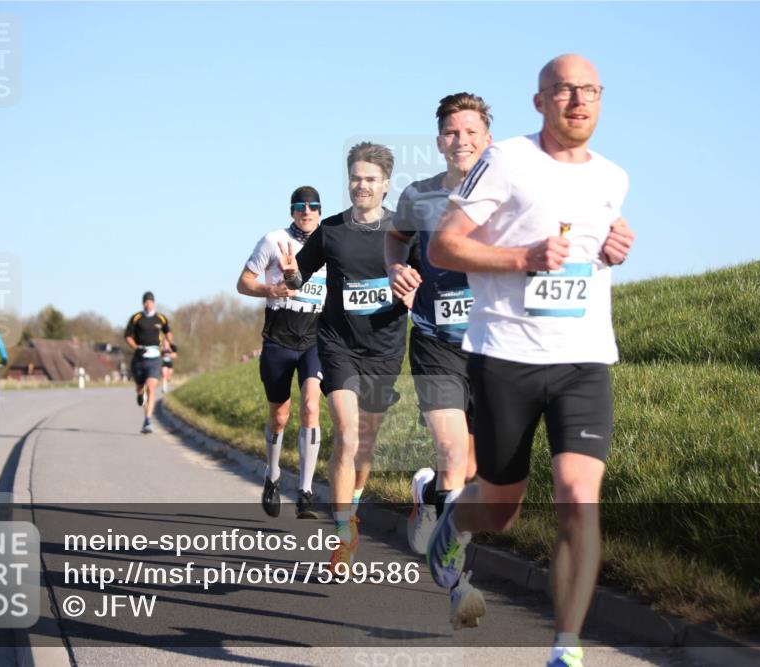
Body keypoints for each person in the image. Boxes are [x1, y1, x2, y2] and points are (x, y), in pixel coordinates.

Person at [426, 55, 636, 667]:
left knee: (578, 494)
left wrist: (619, 244)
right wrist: (523, 258)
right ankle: (452, 526)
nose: (578, 100)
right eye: (563, 90)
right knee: (502, 507)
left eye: (589, 90)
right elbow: (444, 245)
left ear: (602, 99)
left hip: (584, 358)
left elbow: (597, 240)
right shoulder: (507, 159)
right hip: (505, 356)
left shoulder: (613, 177)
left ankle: (566, 650)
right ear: (539, 101)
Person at [386, 92, 491, 628]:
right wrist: (394, 270)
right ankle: (456, 582)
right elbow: (396, 239)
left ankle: (427, 492)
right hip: (434, 343)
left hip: (491, 348)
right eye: (452, 132)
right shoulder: (419, 196)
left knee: (472, 473)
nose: (461, 140)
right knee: (453, 455)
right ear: (438, 141)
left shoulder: (507, 195)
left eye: (471, 131)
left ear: (487, 138)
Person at [281, 143, 408, 573]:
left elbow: (427, 278)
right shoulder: (331, 231)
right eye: (355, 177)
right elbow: (299, 272)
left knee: (366, 444)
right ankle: (340, 536)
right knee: (347, 436)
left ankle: (351, 507)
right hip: (338, 345)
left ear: (386, 184)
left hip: (386, 348)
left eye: (370, 179)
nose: (361, 185)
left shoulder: (403, 233)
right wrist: (290, 274)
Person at [236, 186, 327, 519]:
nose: (307, 212)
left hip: (314, 337)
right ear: (292, 211)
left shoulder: (329, 241)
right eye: (301, 207)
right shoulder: (273, 240)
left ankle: (305, 491)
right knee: (280, 415)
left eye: (313, 206)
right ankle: (272, 476)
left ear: (319, 210)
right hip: (279, 336)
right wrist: (269, 288)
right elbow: (242, 282)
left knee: (311, 407)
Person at [124, 291, 174, 434]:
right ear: (143, 303)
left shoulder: (161, 318)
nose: (148, 304)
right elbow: (127, 336)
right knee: (140, 387)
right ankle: (139, 395)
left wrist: (171, 343)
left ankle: (147, 420)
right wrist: (136, 347)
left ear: (154, 303)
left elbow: (168, 332)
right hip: (139, 357)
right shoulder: (136, 318)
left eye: (150, 301)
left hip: (154, 357)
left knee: (151, 387)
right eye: (146, 301)